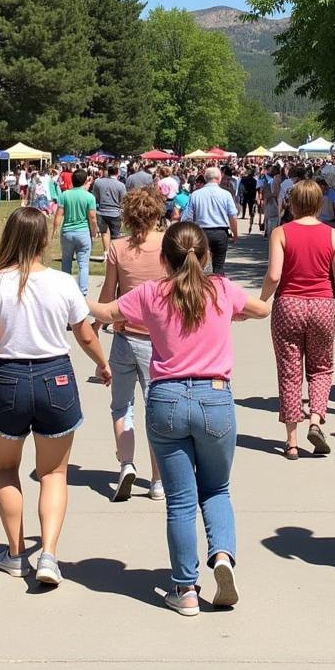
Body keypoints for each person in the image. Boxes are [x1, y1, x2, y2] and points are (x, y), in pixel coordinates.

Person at [88, 222, 271, 616]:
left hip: (167, 398)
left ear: (163, 259)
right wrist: (245, 308)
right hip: (215, 398)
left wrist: (72, 296)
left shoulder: (152, 294)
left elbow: (105, 310)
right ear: (204, 256)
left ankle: (185, 588)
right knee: (217, 490)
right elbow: (260, 308)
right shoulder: (221, 290)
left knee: (181, 501)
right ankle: (222, 558)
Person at [0, 207, 111, 584]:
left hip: (8, 379)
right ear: (45, 240)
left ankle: (14, 552)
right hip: (54, 377)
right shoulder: (62, 283)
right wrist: (102, 364)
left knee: (5, 468)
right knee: (54, 473)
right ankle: (49, 555)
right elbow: (85, 333)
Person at [260, 179, 335, 458]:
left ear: (292, 203)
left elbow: (274, 275)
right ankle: (315, 419)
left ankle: (291, 441)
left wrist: (261, 301)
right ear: (320, 203)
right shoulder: (333, 236)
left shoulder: (281, 233)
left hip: (289, 304)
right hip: (323, 304)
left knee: (289, 370)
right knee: (321, 367)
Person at [95, 188, 167, 501]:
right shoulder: (168, 244)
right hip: (159, 340)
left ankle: (126, 463)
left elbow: (108, 292)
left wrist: (96, 325)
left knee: (121, 405)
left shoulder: (118, 247)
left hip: (124, 335)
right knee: (157, 409)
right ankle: (158, 480)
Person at [180, 166, 239, 276]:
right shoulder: (226, 194)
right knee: (218, 266)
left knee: (200, 265)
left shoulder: (196, 194)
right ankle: (218, 289)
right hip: (221, 232)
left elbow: (188, 217)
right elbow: (233, 216)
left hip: (201, 232)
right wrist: (235, 234)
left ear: (206, 178)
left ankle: (200, 289)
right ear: (219, 178)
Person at [54, 168, 98, 296]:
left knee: (66, 261)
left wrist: (55, 230)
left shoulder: (65, 195)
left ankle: (66, 291)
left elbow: (59, 215)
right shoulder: (89, 197)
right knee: (83, 264)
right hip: (83, 232)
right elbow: (92, 218)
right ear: (85, 181)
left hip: (67, 231)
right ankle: (82, 292)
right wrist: (94, 232)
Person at [92, 165, 126, 251]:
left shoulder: (98, 182)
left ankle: (106, 253)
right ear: (117, 173)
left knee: (104, 233)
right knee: (115, 235)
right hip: (115, 212)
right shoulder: (121, 185)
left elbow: (95, 197)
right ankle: (114, 253)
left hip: (101, 211)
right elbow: (123, 200)